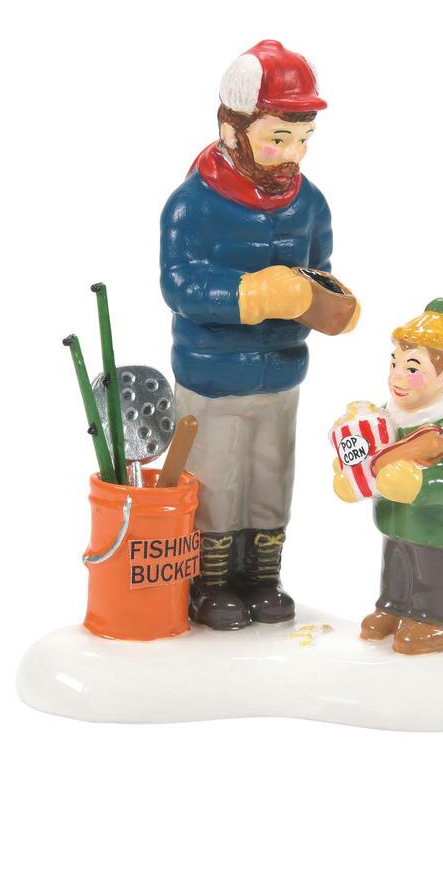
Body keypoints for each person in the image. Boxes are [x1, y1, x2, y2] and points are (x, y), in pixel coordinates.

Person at [160, 39, 356, 630]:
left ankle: (263, 577)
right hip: (212, 377)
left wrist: (330, 303)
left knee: (271, 479)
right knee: (216, 482)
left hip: (281, 374)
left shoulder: (309, 204)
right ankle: (210, 582)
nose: (292, 153)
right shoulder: (192, 204)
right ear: (232, 129)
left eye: (303, 139)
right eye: (279, 138)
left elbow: (320, 269)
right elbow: (180, 284)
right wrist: (251, 295)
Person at [333, 299, 443, 654]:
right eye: (394, 363)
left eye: (412, 368)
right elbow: (370, 455)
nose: (396, 377)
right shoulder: (389, 416)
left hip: (439, 527)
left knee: (433, 573)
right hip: (396, 520)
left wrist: (418, 485)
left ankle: (438, 621)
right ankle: (394, 608)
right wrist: (351, 473)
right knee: (397, 566)